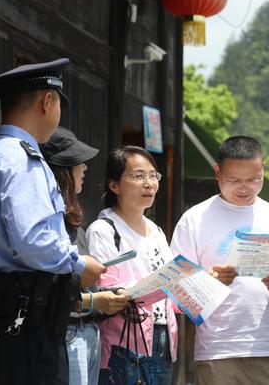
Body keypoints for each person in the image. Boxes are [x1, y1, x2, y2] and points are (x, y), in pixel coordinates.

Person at [0, 59, 106, 385]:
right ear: (47, 101)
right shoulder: (22, 158)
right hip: (26, 323)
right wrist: (78, 264)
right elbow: (33, 241)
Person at [170, 136, 269, 385]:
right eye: (233, 180)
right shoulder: (194, 219)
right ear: (217, 172)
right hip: (218, 351)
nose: (245, 187)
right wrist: (210, 282)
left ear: (263, 168)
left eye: (254, 179)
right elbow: (176, 293)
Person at [40, 127, 130, 385]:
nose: (85, 168)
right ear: (62, 170)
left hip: (89, 334)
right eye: (78, 162)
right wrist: (94, 301)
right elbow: (51, 291)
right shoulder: (49, 221)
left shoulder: (72, 222)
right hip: (66, 334)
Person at [86, 146, 178, 385]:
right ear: (114, 185)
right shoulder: (104, 230)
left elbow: (171, 293)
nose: (149, 183)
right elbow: (108, 289)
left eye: (152, 176)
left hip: (164, 339)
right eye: (138, 176)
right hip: (125, 344)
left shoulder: (156, 231)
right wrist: (165, 283)